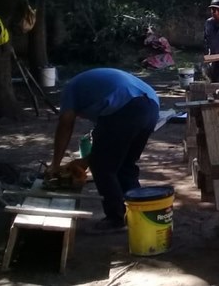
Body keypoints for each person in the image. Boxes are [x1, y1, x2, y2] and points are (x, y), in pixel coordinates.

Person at [47, 68, 160, 233]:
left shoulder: (70, 92)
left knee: (103, 168)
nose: (82, 117)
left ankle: (115, 218)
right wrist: (85, 161)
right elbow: (110, 146)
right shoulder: (97, 95)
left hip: (127, 106)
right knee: (125, 164)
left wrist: (55, 165)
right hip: (151, 106)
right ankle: (137, 213)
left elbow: (65, 124)